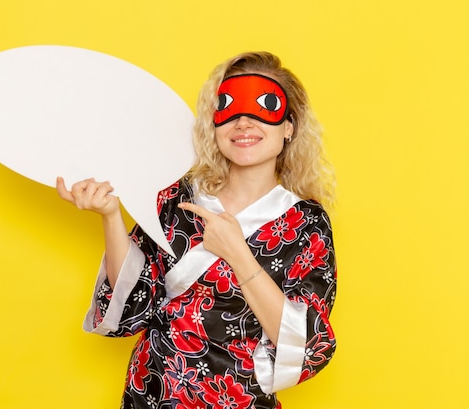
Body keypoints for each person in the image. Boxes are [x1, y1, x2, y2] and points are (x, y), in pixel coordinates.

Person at [57, 51, 337, 409]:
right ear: (214, 123)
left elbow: (305, 344)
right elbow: (134, 300)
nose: (243, 123)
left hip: (238, 400)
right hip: (151, 393)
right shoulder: (175, 196)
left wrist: (238, 253)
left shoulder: (306, 224)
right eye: (229, 108)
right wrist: (111, 216)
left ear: (288, 127)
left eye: (263, 107)